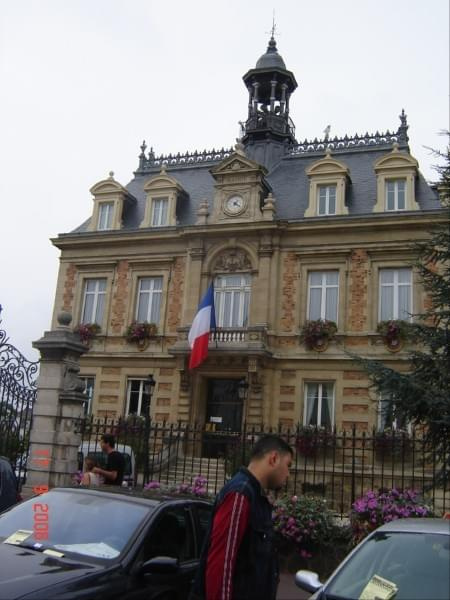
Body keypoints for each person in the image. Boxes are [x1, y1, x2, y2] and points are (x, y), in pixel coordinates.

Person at [190, 434, 293, 600]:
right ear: (273, 459)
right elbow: (221, 565)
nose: (288, 474)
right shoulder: (240, 494)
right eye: (288, 465)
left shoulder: (255, 496)